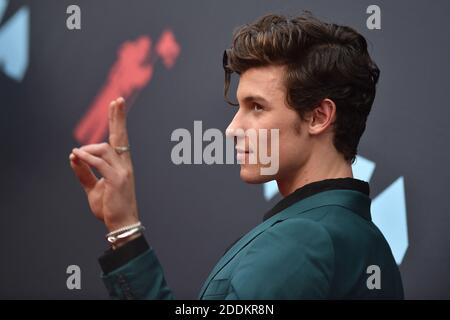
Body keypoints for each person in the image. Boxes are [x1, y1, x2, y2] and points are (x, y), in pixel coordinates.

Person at [69, 12, 404, 299]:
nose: (232, 129)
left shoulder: (303, 240)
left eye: (256, 107)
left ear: (319, 116)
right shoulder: (360, 238)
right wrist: (124, 227)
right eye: (240, 106)